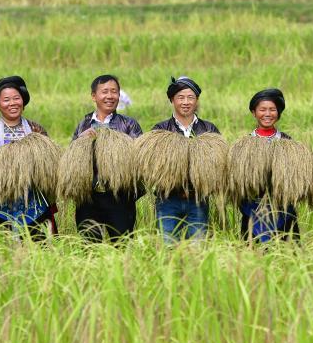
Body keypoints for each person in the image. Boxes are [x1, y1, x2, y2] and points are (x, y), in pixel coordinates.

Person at [0, 76, 58, 238]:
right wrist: (6, 163)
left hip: (35, 202)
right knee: (3, 249)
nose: (12, 103)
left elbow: (49, 157)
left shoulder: (36, 129)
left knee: (39, 246)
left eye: (16, 98)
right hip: (2, 203)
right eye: (6, 100)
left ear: (23, 102)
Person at [71, 74, 143, 241]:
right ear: (94, 96)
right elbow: (72, 160)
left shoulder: (129, 125)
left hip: (120, 198)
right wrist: (81, 140)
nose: (110, 96)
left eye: (114, 91)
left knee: (122, 245)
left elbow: (140, 159)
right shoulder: (84, 124)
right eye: (105, 92)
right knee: (89, 247)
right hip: (88, 197)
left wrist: (117, 144)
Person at [152, 76, 221, 242]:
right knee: (166, 247)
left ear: (197, 101)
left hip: (198, 200)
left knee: (197, 249)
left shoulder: (209, 129)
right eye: (180, 97)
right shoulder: (160, 129)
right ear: (172, 100)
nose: (186, 102)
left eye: (191, 97)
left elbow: (218, 163)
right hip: (167, 200)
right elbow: (153, 165)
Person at [239, 88, 299, 242]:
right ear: (254, 112)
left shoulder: (288, 142)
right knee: (253, 253)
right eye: (262, 109)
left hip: (283, 208)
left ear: (278, 113)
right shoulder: (244, 144)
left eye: (272, 109)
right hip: (252, 209)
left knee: (286, 253)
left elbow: (296, 177)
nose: (267, 114)